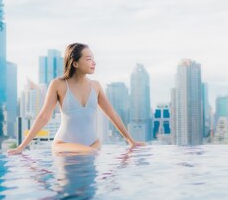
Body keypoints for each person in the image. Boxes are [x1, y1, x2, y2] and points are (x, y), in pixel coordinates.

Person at [8, 43, 144, 155]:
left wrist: (131, 141)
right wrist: (21, 147)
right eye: (89, 59)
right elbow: (44, 116)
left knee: (89, 183)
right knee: (86, 158)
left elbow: (112, 114)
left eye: (93, 58)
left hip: (93, 144)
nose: (94, 63)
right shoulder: (58, 84)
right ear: (75, 63)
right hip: (64, 144)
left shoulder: (95, 86)